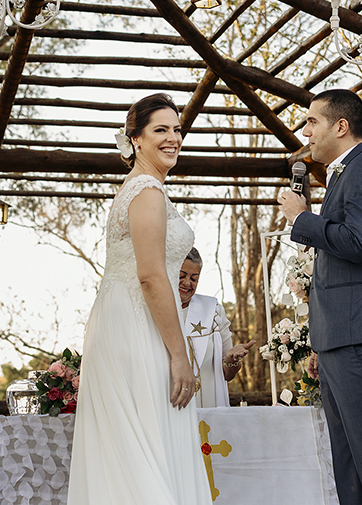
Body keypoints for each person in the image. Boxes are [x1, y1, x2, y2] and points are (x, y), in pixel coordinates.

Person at [67, 93, 210, 505]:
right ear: (136, 141)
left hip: (122, 323)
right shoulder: (147, 191)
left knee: (135, 447)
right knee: (146, 443)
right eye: (160, 130)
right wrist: (179, 355)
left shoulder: (137, 189)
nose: (173, 138)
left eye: (177, 129)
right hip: (137, 327)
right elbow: (149, 276)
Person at [277, 89, 362, 505]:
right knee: (350, 468)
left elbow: (358, 242)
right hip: (341, 340)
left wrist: (303, 219)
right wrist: (321, 338)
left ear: (341, 126)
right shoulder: (342, 174)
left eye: (311, 122)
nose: (305, 132)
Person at [179, 247, 256, 407]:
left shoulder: (213, 311)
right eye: (181, 276)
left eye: (194, 278)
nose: (187, 283)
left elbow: (227, 374)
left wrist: (230, 361)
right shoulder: (152, 311)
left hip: (207, 405)